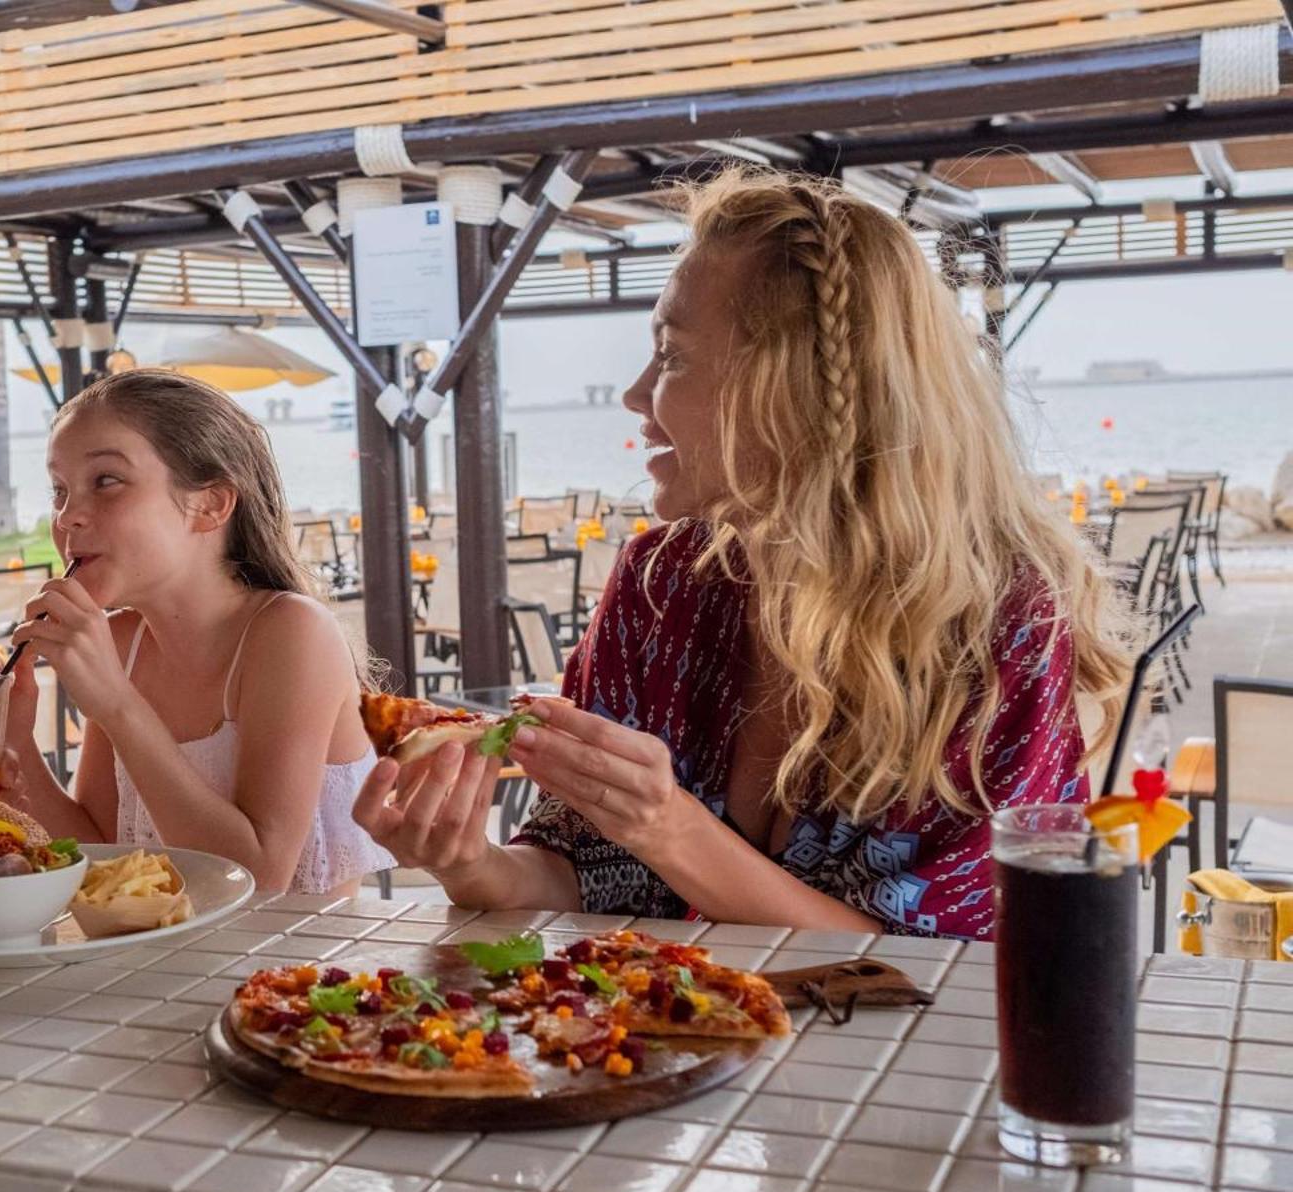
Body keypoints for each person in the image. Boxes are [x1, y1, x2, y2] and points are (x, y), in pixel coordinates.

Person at [353, 170, 1132, 939]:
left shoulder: (996, 627)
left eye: (673, 355)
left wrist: (671, 828)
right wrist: (467, 862)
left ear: (791, 392)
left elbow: (943, 974)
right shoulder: (659, 587)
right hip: (667, 1053)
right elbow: (578, 870)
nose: (635, 394)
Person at [0, 369, 392, 896]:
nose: (68, 516)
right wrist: (15, 743)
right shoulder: (124, 641)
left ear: (211, 504)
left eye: (105, 481)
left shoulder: (291, 633)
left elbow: (259, 879)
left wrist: (117, 705)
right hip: (169, 970)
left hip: (298, 972)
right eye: (60, 490)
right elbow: (102, 849)